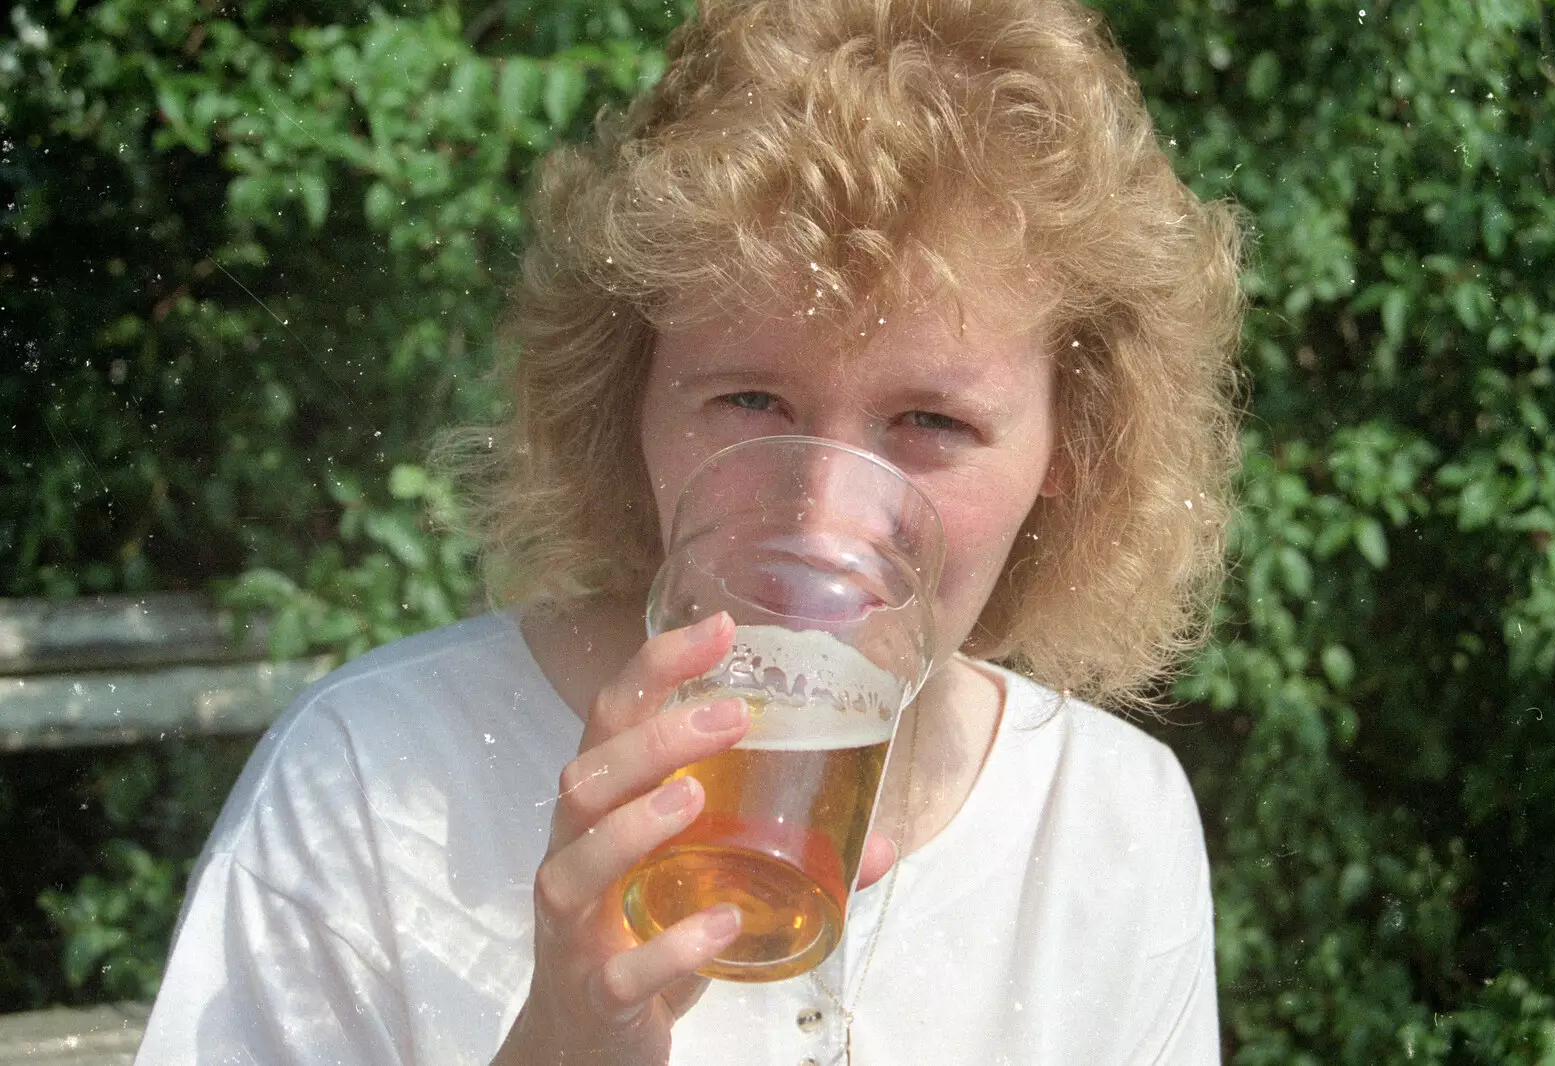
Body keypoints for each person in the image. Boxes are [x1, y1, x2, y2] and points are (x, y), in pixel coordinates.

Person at [136, 0, 1242, 1062]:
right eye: (751, 403)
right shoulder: (371, 785)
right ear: (627, 399)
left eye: (930, 422)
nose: (823, 522)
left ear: (1075, 448)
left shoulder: (1107, 821)